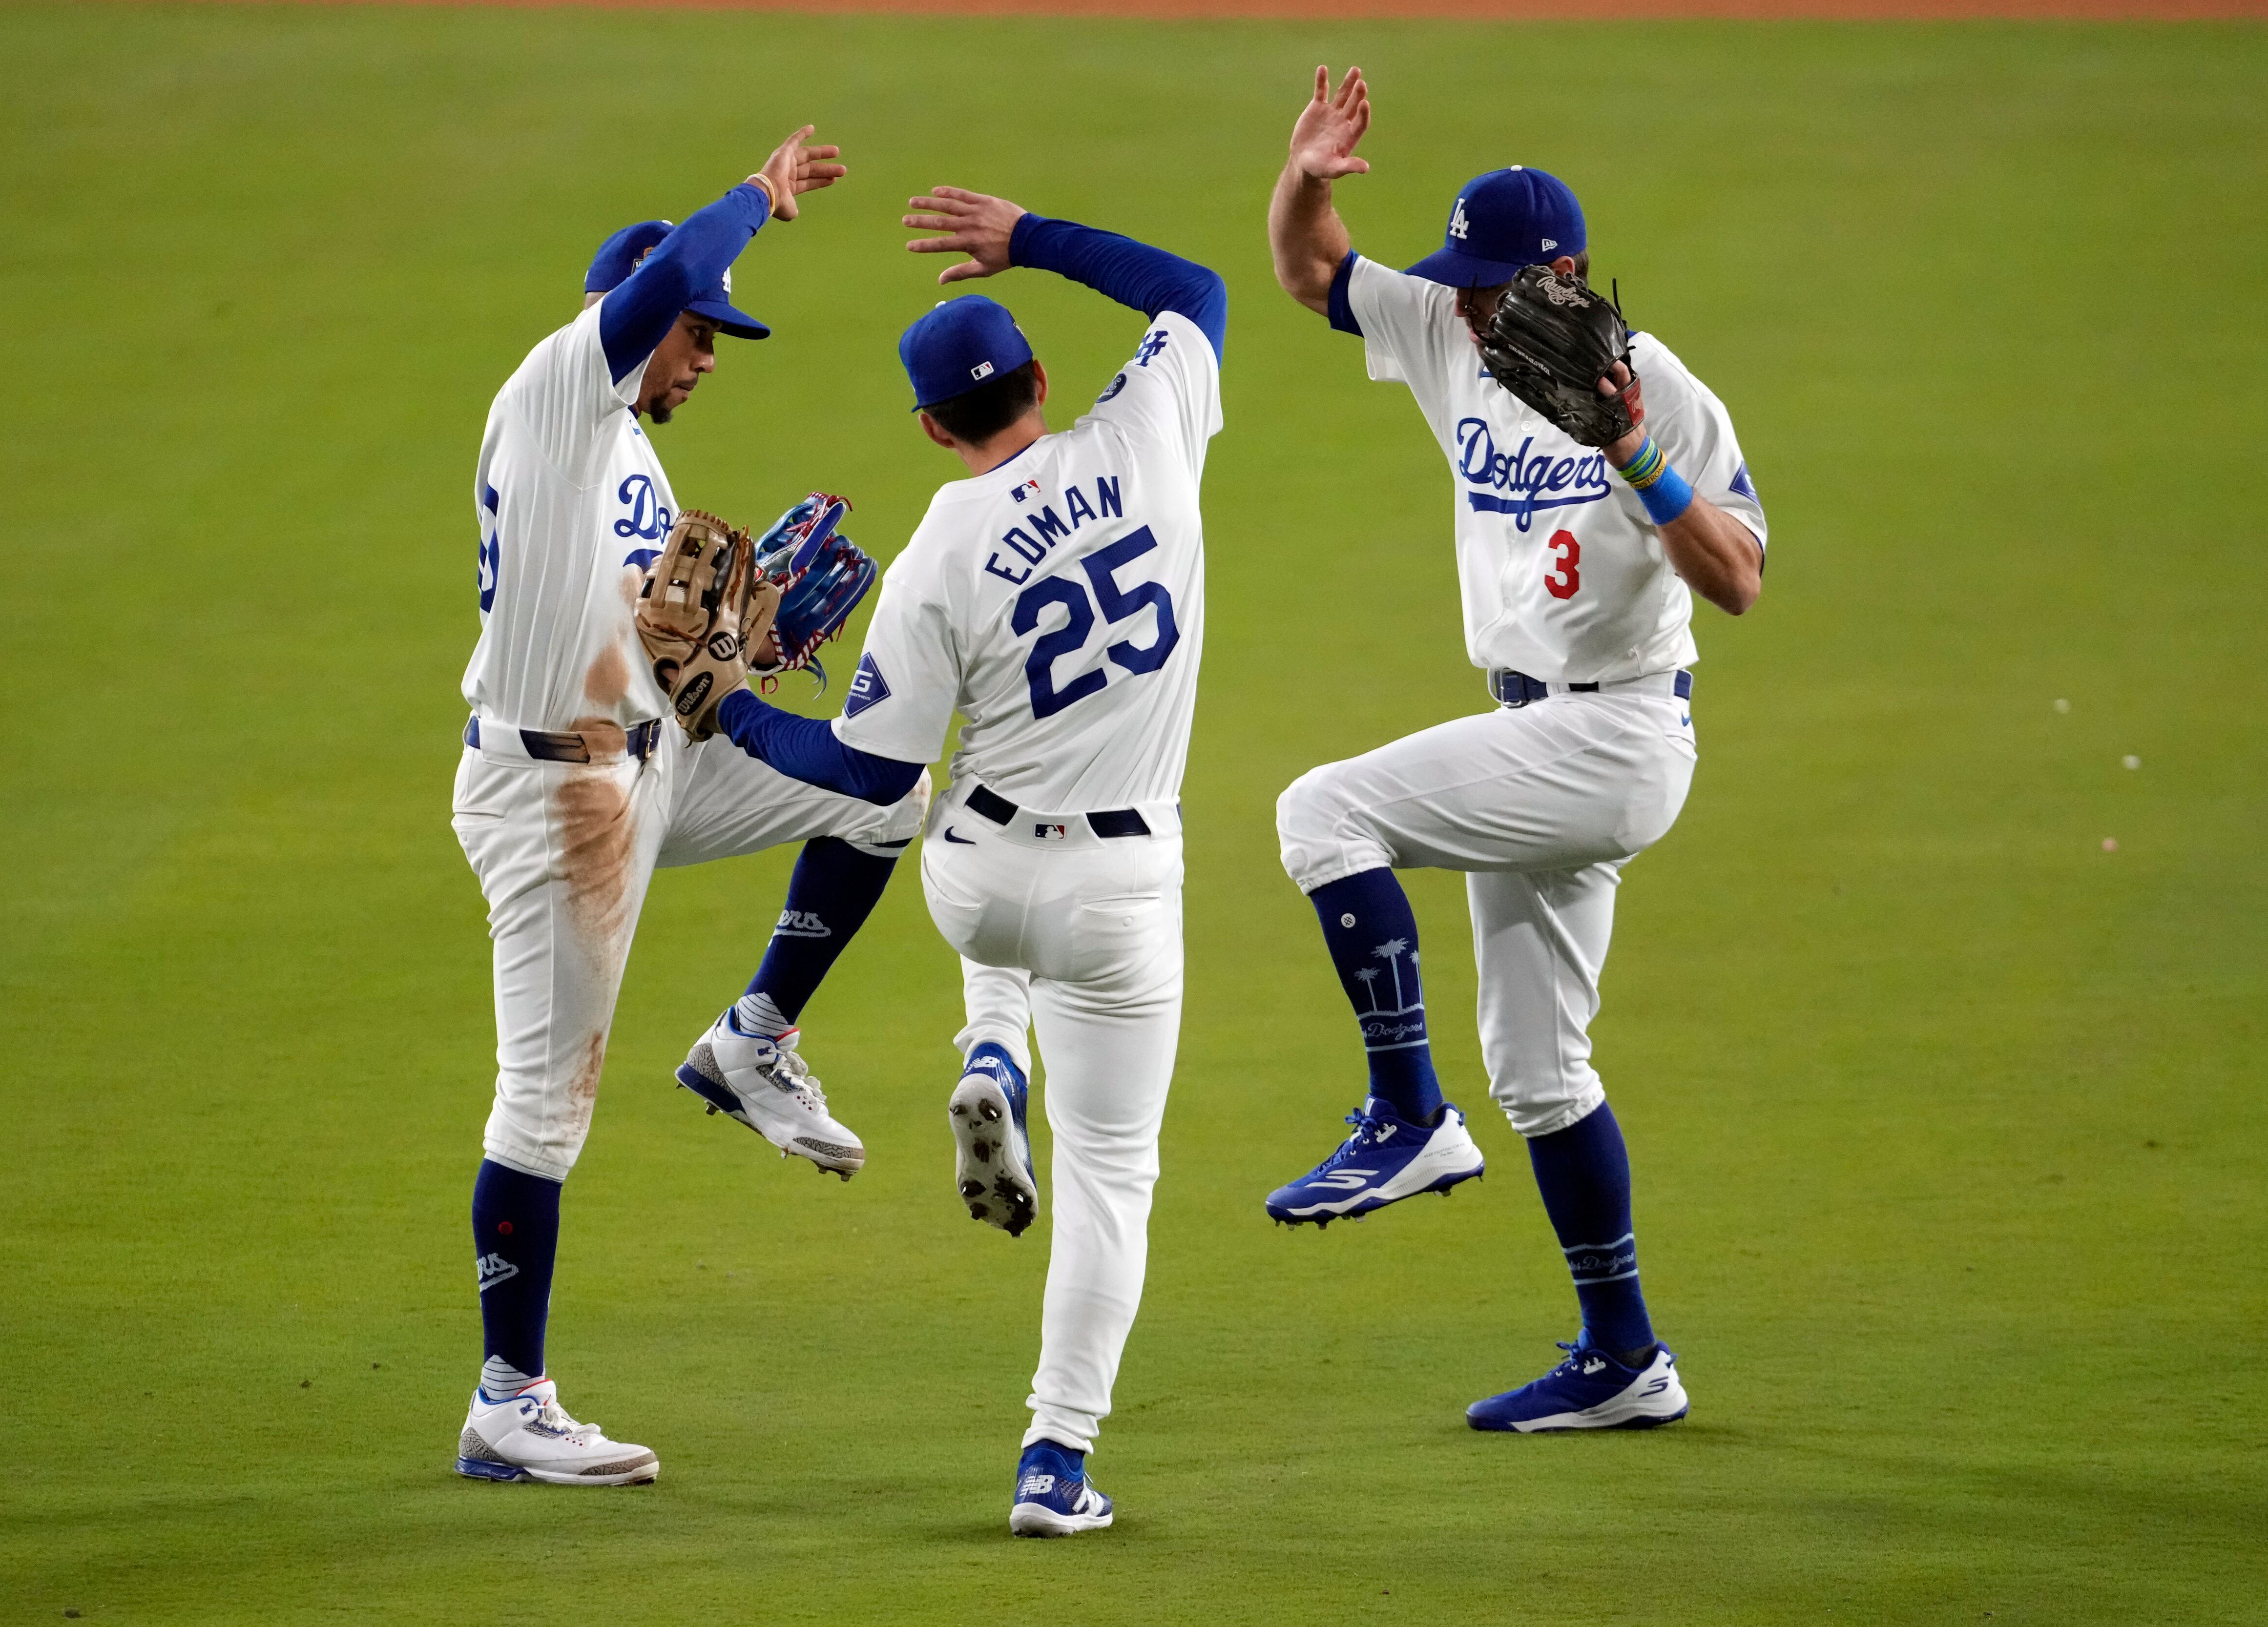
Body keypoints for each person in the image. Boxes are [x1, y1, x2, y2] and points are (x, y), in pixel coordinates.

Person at [707, 185, 1224, 1533]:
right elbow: (1196, 292)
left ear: (933, 428)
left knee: (938, 803)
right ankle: (1056, 1460)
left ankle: (993, 1044)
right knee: (1110, 1182)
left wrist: (733, 704)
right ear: (1043, 380)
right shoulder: (1150, 434)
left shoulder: (938, 547)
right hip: (1124, 900)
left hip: (979, 886)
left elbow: (866, 777)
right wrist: (1031, 238)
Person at [1262, 67, 1767, 1432]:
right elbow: (1314, 274)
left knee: (1323, 813)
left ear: (1568, 279)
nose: (1476, 309)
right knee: (1543, 1077)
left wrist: (1639, 455)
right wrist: (1303, 178)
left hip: (1619, 730)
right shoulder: (1453, 334)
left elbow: (1737, 581)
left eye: (1497, 289)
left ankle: (1406, 1116)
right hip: (1530, 728)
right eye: (1467, 287)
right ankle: (1627, 1359)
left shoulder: (1664, 390)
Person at [451, 126, 931, 1487]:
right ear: (633, 318)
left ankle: (753, 1044)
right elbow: (673, 277)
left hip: (649, 761)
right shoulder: (559, 391)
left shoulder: (627, 452)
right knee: (543, 1111)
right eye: (699, 333)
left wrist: (744, 650)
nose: (709, 356)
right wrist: (758, 199)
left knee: (883, 790)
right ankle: (507, 1403)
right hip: (555, 800)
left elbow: (655, 642)